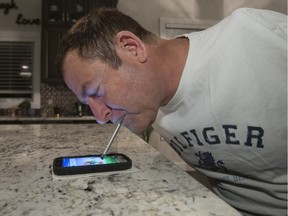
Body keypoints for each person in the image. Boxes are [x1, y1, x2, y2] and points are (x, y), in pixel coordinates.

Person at [56, 7, 287, 216]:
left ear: (131, 48)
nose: (99, 117)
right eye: (88, 103)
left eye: (95, 91)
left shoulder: (255, 34)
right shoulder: (148, 102)